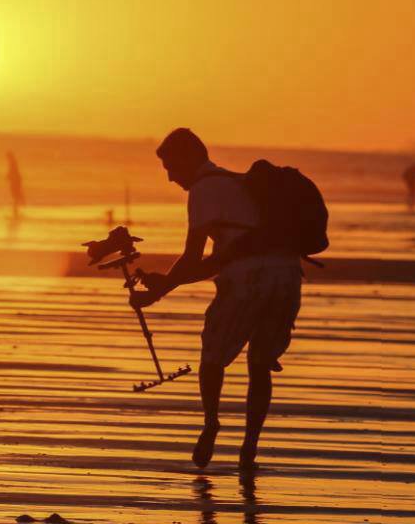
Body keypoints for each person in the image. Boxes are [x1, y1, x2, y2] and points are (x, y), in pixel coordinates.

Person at [127, 128, 302, 471]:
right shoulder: (235, 183)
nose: (171, 177)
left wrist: (160, 290)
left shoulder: (205, 189)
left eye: (171, 167)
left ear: (190, 159)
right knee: (259, 363)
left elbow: (194, 258)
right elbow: (213, 260)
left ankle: (211, 422)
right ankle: (249, 448)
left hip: (249, 279)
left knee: (212, 355)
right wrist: (163, 287)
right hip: (287, 276)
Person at [6, 151, 25, 218]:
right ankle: (16, 208)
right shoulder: (13, 162)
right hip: (16, 180)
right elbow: (13, 171)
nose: (7, 158)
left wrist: (9, 176)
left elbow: (13, 171)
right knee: (16, 193)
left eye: (7, 157)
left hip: (15, 180)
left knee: (15, 193)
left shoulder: (13, 163)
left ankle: (16, 209)